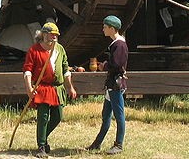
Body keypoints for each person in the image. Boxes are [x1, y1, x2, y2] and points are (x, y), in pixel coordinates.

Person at [22, 22, 77, 157]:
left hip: (57, 89)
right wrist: (29, 88)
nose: (54, 37)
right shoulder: (34, 50)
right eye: (52, 35)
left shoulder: (60, 49)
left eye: (56, 35)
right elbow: (27, 71)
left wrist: (70, 87)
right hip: (42, 89)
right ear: (44, 35)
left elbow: (65, 70)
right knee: (43, 117)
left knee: (58, 116)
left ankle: (43, 137)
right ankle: (41, 146)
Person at [87, 15, 128, 155]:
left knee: (119, 114)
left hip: (115, 84)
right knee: (106, 115)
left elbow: (117, 64)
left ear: (112, 28)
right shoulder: (116, 44)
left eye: (105, 27)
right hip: (112, 84)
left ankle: (119, 145)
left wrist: (104, 65)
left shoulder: (119, 44)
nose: (103, 29)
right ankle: (97, 143)